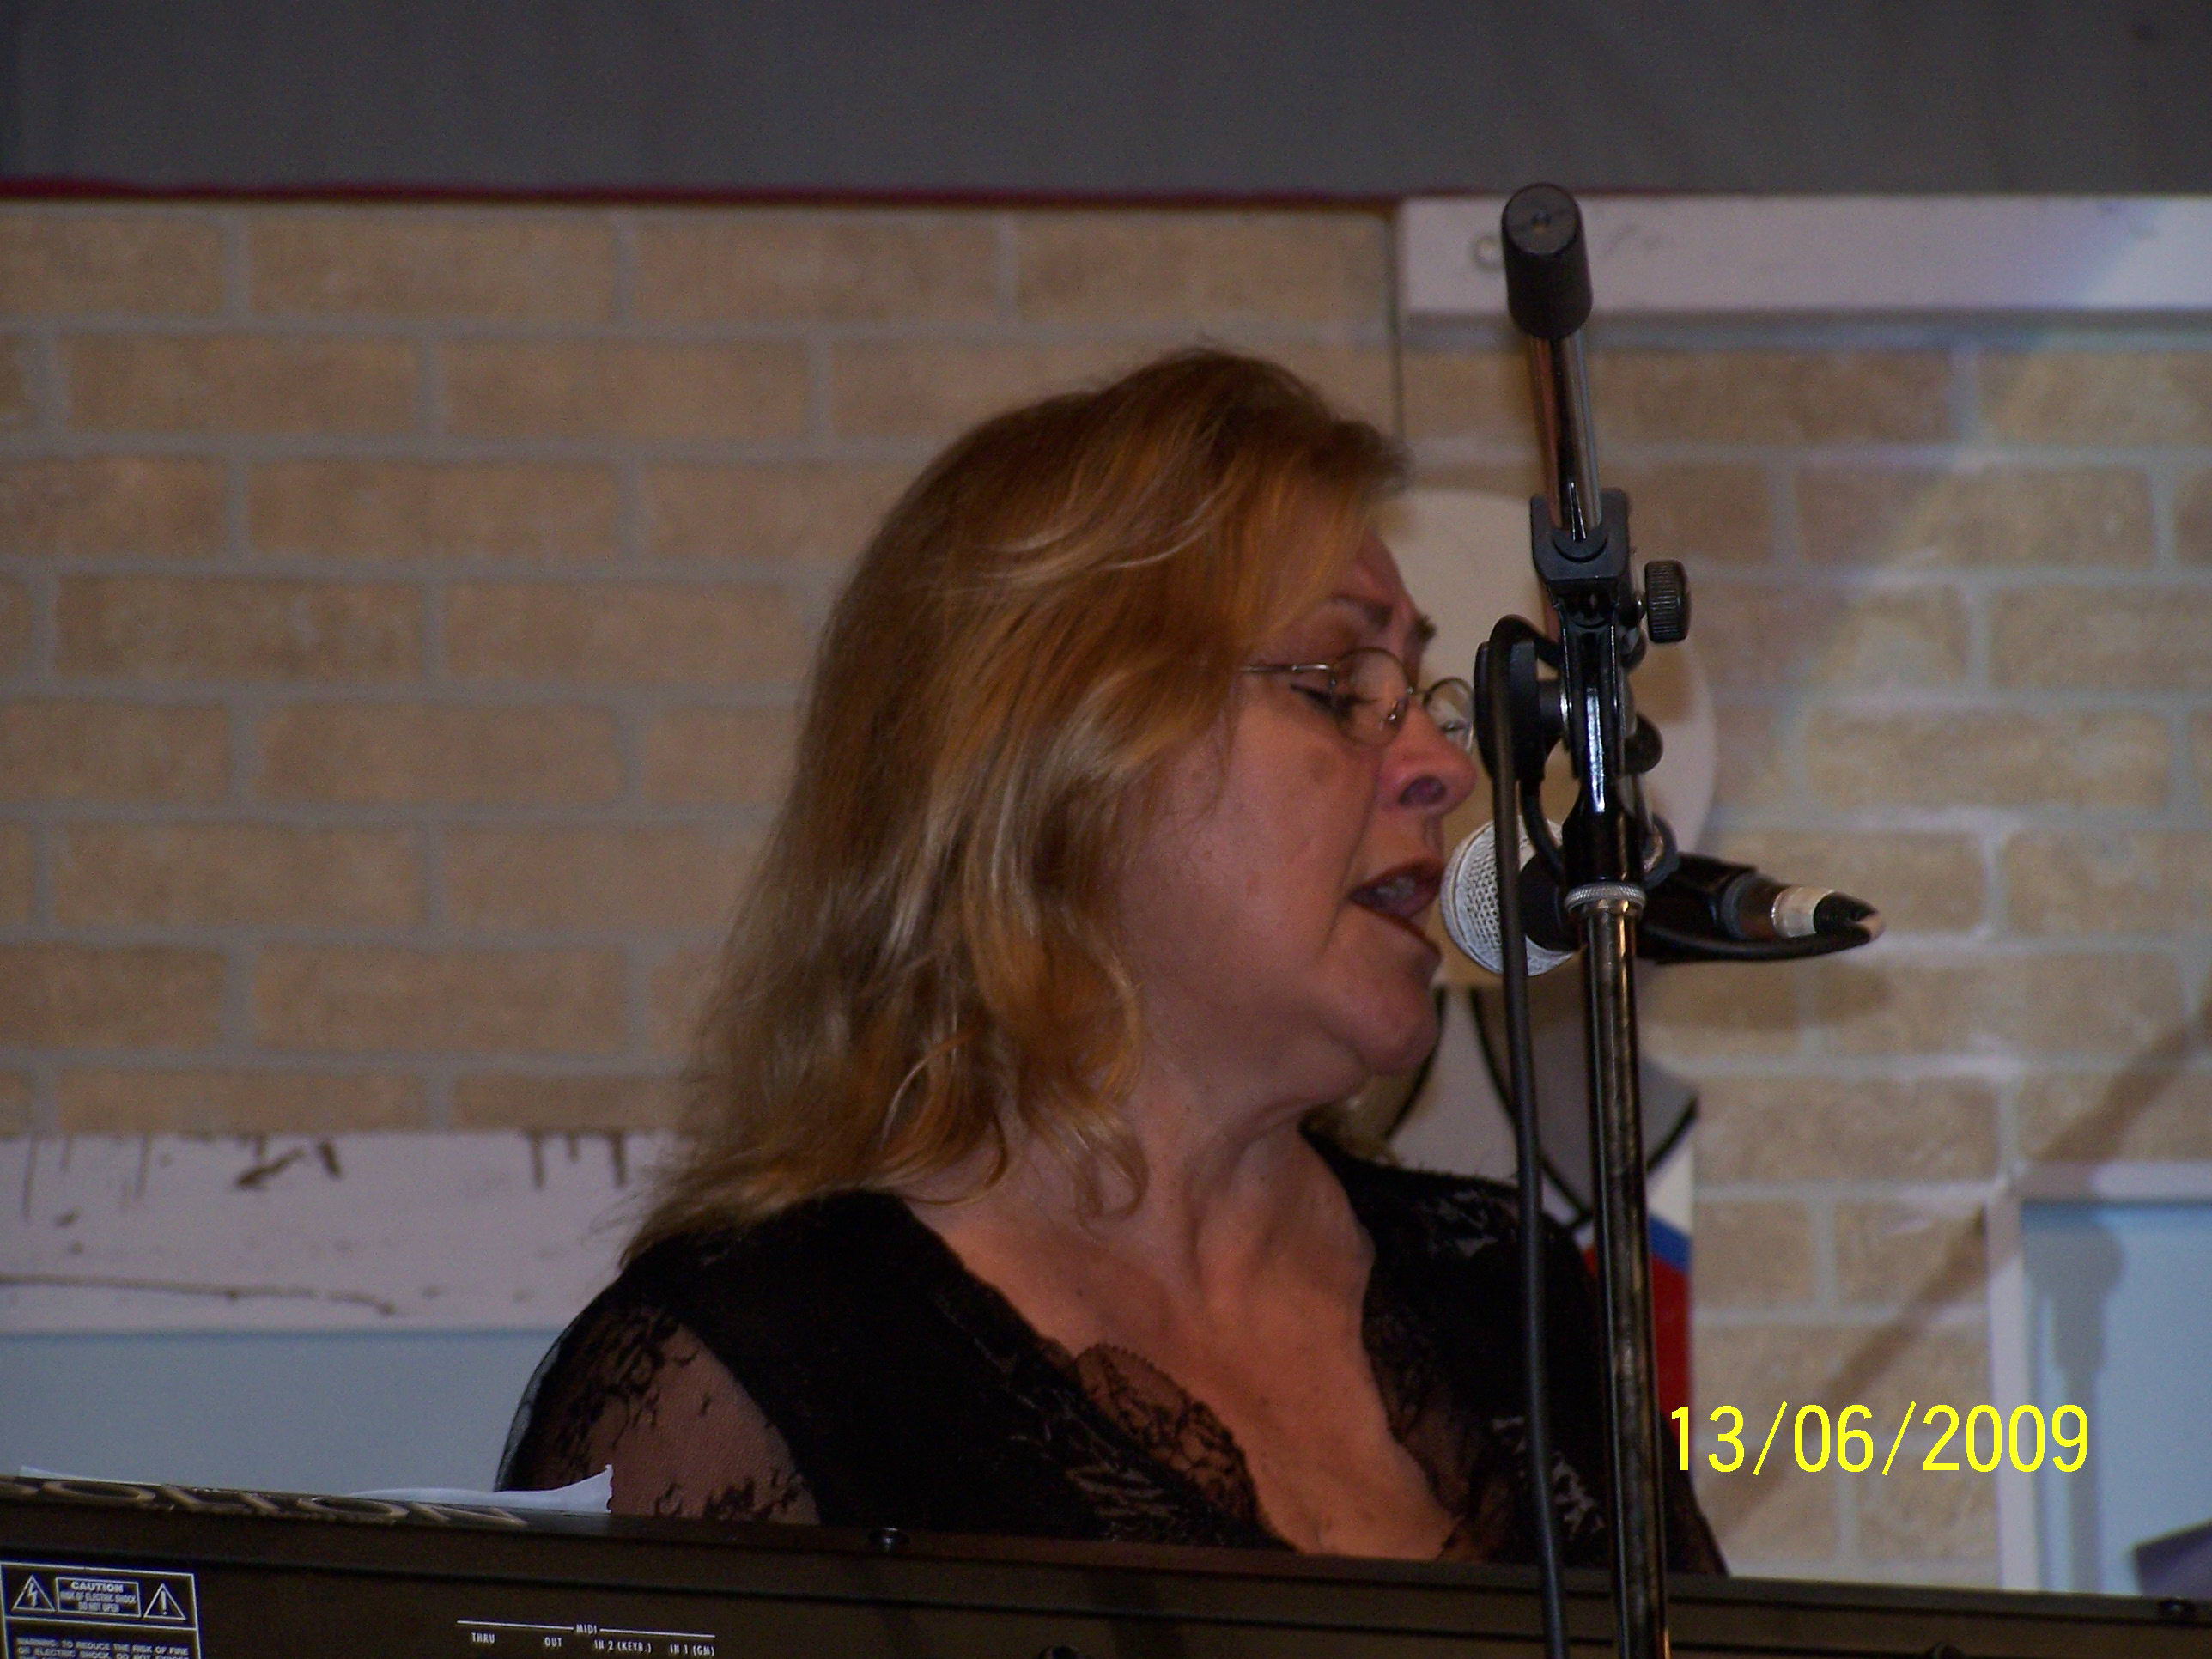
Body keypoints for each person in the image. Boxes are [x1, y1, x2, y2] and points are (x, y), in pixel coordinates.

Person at [500, 349, 1723, 1570]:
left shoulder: (1505, 1295)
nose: (1444, 770)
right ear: (1058, 756)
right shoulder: (752, 1367)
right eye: (1337, 685)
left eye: (1422, 696)